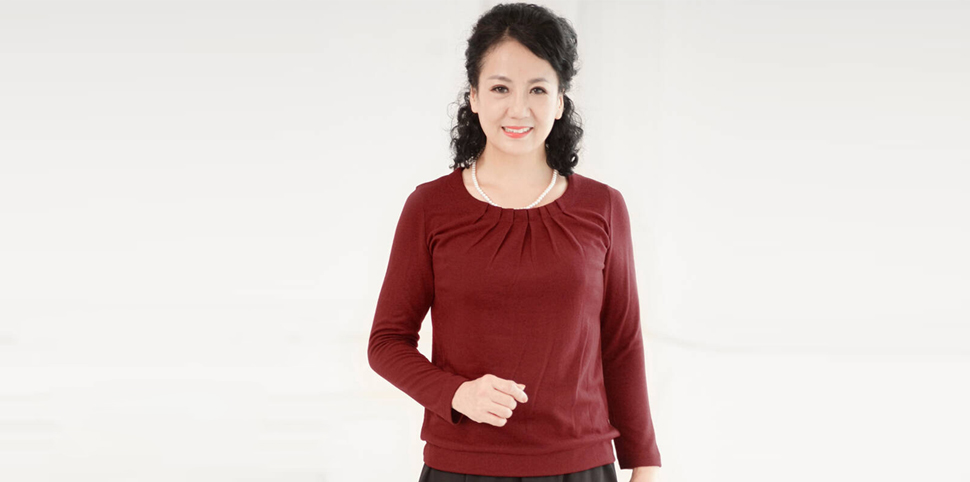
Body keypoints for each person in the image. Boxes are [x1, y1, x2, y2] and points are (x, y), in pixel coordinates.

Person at [368, 3, 661, 481]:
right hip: (461, 466)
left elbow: (621, 344)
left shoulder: (603, 207)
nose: (518, 109)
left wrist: (645, 463)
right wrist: (456, 394)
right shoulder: (429, 208)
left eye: (538, 89)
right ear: (474, 96)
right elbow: (386, 342)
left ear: (560, 101)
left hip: (581, 465)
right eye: (500, 88)